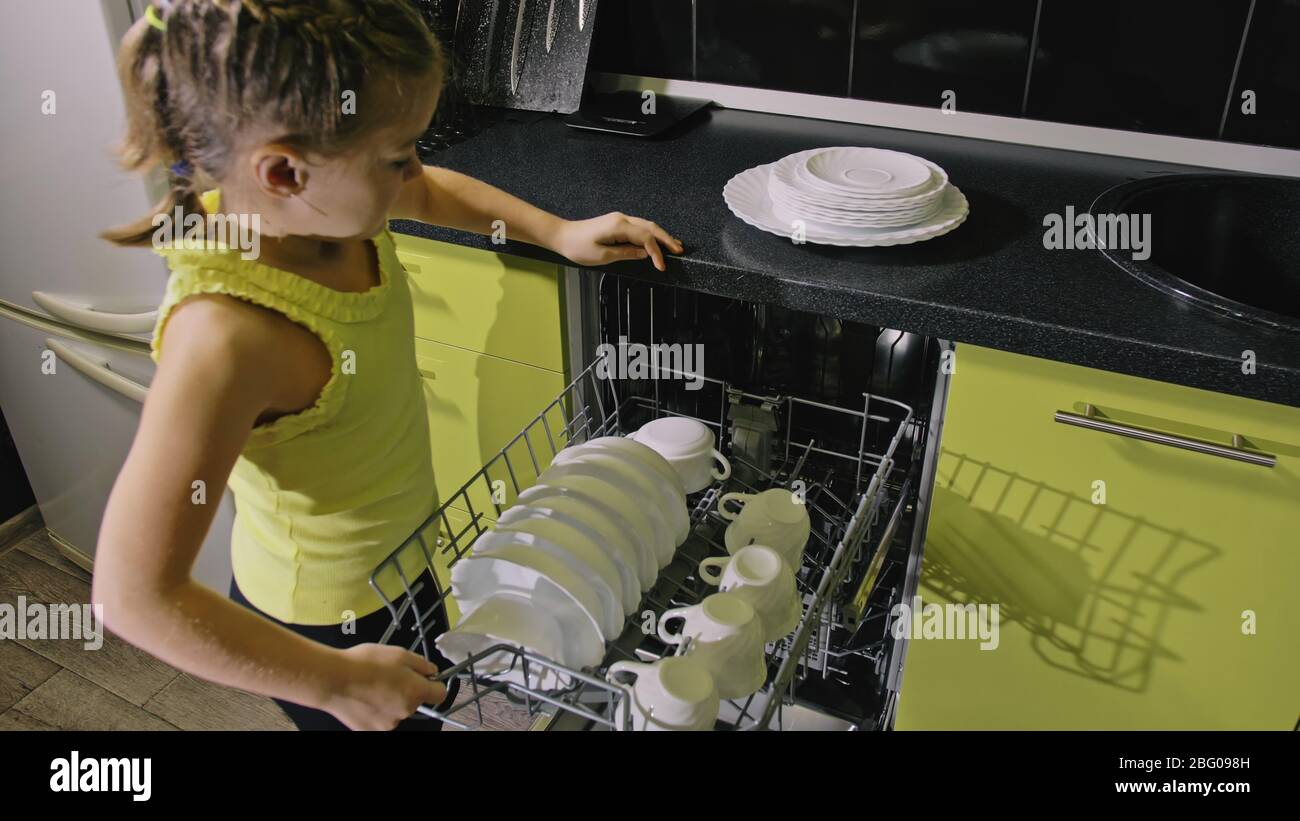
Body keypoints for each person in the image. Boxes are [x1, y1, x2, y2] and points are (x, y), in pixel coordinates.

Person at [93, 0, 682, 731]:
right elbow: (130, 594)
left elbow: (428, 192)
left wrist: (558, 231)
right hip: (323, 628)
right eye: (397, 153)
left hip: (404, 570)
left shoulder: (323, 211)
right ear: (283, 170)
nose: (414, 167)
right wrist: (336, 683)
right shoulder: (227, 336)